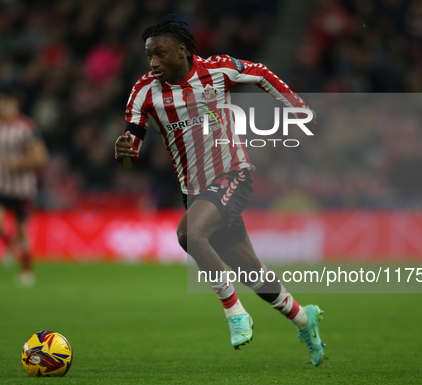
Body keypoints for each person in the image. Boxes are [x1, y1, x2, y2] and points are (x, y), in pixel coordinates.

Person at [114, 18, 325, 366]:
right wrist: (124, 152)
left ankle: (234, 312)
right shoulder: (144, 91)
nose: (152, 62)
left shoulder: (217, 70)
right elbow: (131, 144)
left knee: (189, 233)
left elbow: (260, 73)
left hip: (232, 173)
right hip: (194, 190)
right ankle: (305, 320)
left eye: (160, 53)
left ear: (182, 50)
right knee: (250, 270)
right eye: (149, 55)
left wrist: (296, 105)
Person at [0, 89, 48, 286]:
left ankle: (27, 270)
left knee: (21, 230)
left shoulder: (26, 127)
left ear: (15, 106)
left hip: (22, 188)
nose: (2, 108)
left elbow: (41, 157)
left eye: (6, 104)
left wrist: (18, 164)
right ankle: (10, 245)